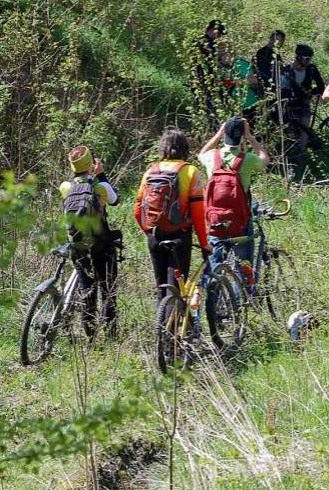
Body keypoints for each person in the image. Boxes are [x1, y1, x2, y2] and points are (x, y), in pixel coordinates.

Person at [134, 128, 210, 301]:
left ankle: (160, 326)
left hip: (154, 236)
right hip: (179, 237)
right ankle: (174, 327)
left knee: (162, 290)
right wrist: (204, 244)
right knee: (176, 292)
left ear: (163, 148)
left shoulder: (150, 172)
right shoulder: (191, 172)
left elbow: (138, 210)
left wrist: (149, 231)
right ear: (185, 148)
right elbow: (198, 214)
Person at [60, 145, 121, 339]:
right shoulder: (101, 187)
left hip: (77, 245)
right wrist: (101, 175)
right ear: (90, 164)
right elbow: (115, 200)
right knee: (108, 286)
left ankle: (90, 332)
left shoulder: (66, 187)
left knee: (86, 287)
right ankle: (111, 333)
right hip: (102, 244)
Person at [198, 116, 269, 271]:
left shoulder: (211, 157)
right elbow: (265, 160)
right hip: (240, 221)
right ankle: (242, 291)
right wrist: (250, 137)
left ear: (225, 134)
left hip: (215, 220)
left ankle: (214, 291)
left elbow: (200, 154)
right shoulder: (248, 159)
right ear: (241, 136)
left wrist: (218, 134)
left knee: (213, 268)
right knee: (243, 268)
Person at [279, 44, 325, 151]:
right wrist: (289, 94)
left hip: (304, 103)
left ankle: (302, 155)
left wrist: (310, 92)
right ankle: (288, 154)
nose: (309, 61)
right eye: (307, 58)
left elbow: (321, 87)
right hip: (288, 105)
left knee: (304, 129)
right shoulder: (286, 69)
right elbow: (280, 88)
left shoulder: (311, 69)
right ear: (299, 57)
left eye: (310, 58)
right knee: (289, 132)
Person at [191, 19, 227, 129]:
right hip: (206, 83)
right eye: (219, 34)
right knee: (210, 115)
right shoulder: (205, 44)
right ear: (215, 31)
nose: (219, 37)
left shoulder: (198, 42)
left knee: (203, 113)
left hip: (200, 82)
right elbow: (218, 62)